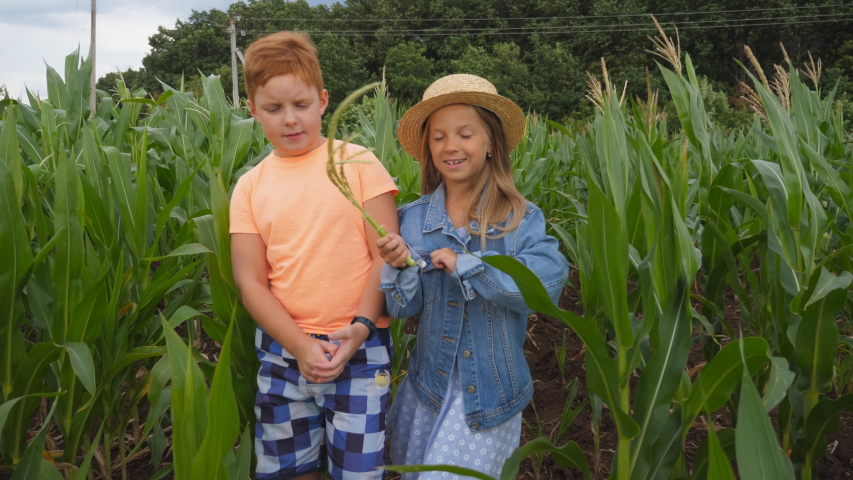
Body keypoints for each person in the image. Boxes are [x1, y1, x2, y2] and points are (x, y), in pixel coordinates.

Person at [377, 74, 569, 479]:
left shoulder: (520, 220)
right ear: (428, 149)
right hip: (428, 392)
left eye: (465, 134)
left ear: (490, 143)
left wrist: (471, 266)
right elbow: (400, 308)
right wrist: (399, 265)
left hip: (490, 397)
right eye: (439, 137)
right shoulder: (412, 220)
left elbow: (546, 286)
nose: (451, 146)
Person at [230, 31, 399, 480]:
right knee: (290, 470)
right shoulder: (250, 186)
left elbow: (384, 255)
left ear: (323, 100)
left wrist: (361, 328)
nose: (290, 119)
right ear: (253, 111)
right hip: (283, 352)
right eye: (273, 108)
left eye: (301, 105)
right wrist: (300, 345)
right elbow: (250, 282)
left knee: (359, 471)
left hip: (359, 348)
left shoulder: (358, 164)